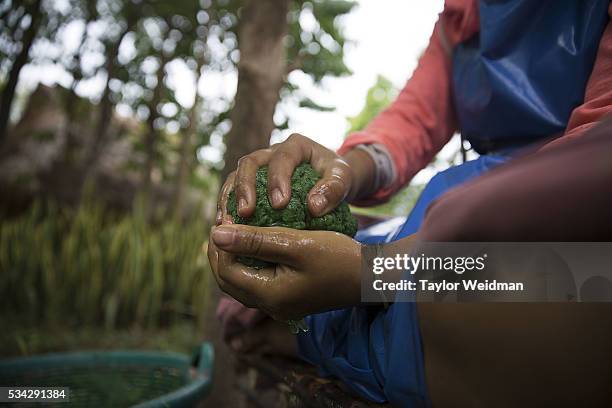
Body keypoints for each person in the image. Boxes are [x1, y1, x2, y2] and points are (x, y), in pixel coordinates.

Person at [211, 1, 612, 405]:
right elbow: (415, 118)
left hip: (563, 206)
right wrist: (343, 171)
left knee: (537, 290)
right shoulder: (461, 16)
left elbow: (591, 170)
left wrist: (376, 273)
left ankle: (314, 335)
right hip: (469, 193)